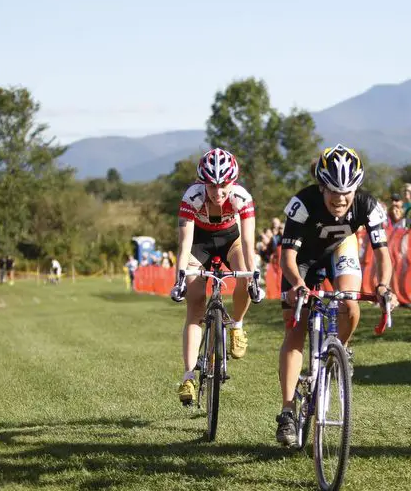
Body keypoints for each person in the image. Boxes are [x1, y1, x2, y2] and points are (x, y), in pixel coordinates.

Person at [275, 144, 395, 446]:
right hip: (302, 260)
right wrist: (298, 286)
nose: (341, 200)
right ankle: (287, 411)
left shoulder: (367, 205)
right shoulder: (303, 204)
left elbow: (383, 254)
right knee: (295, 325)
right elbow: (287, 258)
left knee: (350, 304)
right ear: (320, 186)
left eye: (347, 193)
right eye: (333, 193)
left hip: (341, 250)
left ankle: (339, 352)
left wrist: (383, 286)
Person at [169, 148, 263, 405]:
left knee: (244, 274)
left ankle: (238, 326)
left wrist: (253, 277)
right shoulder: (192, 196)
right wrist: (180, 278)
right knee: (196, 303)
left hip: (231, 241)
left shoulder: (242, 198)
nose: (218, 192)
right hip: (199, 244)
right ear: (203, 182)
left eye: (223, 186)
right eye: (212, 186)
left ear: (232, 183)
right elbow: (185, 242)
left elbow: (248, 241)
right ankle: (188, 376)